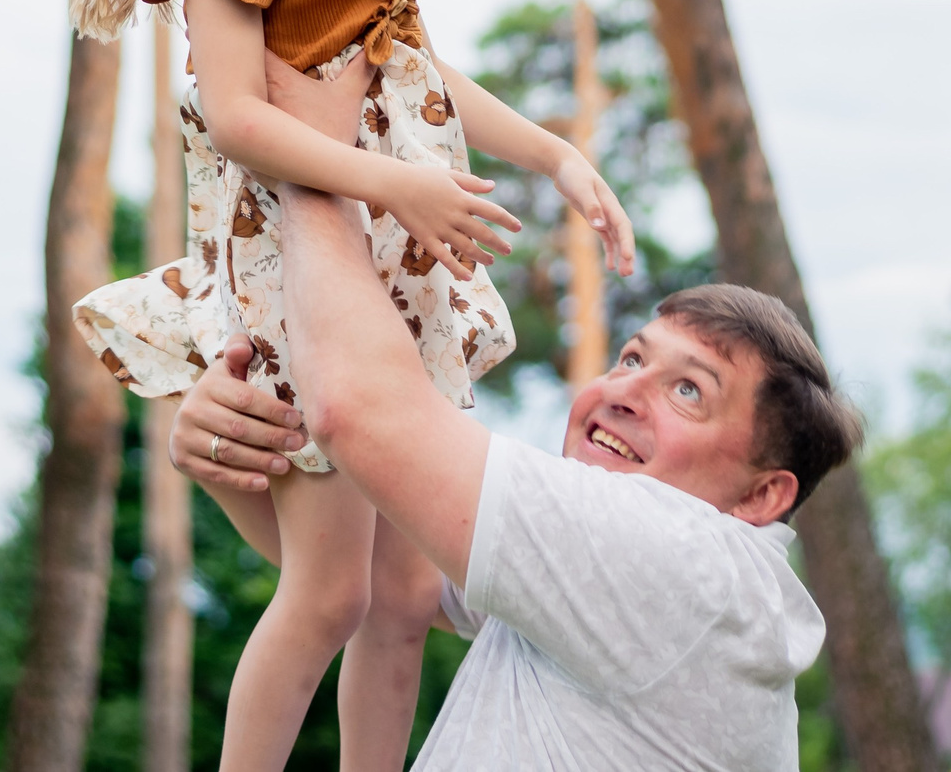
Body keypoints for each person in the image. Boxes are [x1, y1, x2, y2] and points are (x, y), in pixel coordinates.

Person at [66, 0, 637, 772]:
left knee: (406, 589)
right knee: (327, 593)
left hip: (386, 269)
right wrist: (398, 182)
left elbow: (417, 71)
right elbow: (236, 117)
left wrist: (554, 153)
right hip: (301, 284)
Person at [172, 56, 861, 771]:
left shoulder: (687, 567)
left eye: (689, 390)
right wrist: (230, 451)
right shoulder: (602, 586)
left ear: (762, 494)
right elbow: (382, 578)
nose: (625, 389)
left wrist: (309, 146)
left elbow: (357, 410)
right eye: (631, 357)